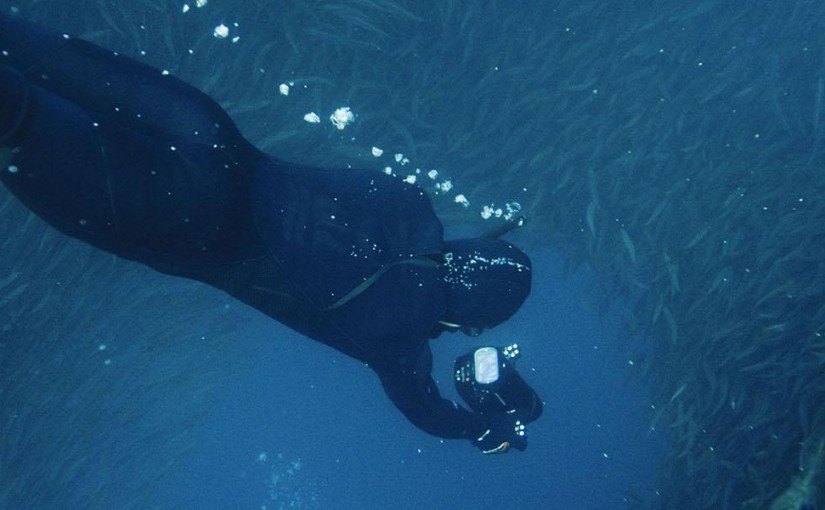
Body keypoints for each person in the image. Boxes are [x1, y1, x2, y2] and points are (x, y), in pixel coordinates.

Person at [0, 12, 542, 454]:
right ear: (467, 323)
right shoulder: (398, 340)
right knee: (17, 120)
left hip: (204, 131)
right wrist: (481, 429)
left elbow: (417, 256)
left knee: (21, 43)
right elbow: (425, 411)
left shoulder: (412, 204)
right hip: (189, 222)